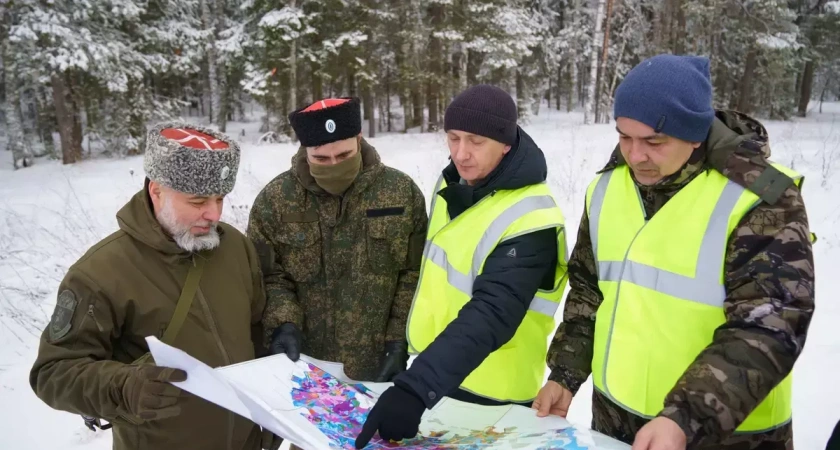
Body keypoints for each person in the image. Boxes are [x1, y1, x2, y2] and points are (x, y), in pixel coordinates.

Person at [535, 54, 815, 450]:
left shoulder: (761, 199)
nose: (635, 155)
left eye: (654, 141)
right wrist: (565, 374)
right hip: (616, 420)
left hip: (725, 434)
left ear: (695, 134)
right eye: (624, 137)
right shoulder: (606, 189)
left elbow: (769, 325)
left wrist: (686, 416)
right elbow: (589, 292)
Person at [29, 123, 276, 450]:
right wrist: (121, 387)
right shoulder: (101, 272)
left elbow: (256, 330)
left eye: (220, 198)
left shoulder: (235, 248)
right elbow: (52, 372)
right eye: (198, 200)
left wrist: (271, 418)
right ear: (156, 190)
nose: (213, 213)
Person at [355, 84, 569, 448]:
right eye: (452, 138)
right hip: (441, 381)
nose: (461, 153)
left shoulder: (531, 217)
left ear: (505, 143)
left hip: (494, 398)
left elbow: (492, 312)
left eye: (475, 141)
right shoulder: (453, 183)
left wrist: (416, 388)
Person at [247, 98, 427, 447]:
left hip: (380, 373)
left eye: (344, 156)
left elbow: (413, 273)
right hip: (309, 379)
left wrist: (397, 340)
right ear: (305, 150)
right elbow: (269, 276)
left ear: (359, 139)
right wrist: (284, 323)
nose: (334, 165)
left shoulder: (401, 193)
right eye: (321, 159)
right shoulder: (276, 201)